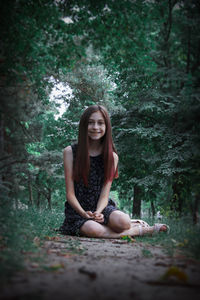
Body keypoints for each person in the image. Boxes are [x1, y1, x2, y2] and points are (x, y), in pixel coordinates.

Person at [60, 105, 169, 238]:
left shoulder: (112, 157)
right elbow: (70, 194)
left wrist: (99, 212)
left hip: (102, 207)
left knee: (123, 222)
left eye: (100, 123)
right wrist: (84, 214)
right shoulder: (70, 152)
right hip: (78, 211)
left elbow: (105, 195)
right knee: (93, 230)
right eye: (90, 122)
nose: (95, 127)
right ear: (83, 126)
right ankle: (141, 230)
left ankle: (127, 224)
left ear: (106, 127)